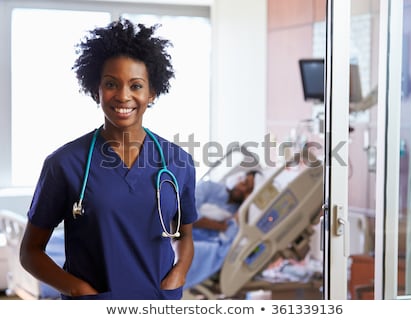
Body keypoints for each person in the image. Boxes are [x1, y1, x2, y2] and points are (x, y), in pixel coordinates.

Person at [19, 18, 198, 300]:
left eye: (136, 85)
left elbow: (185, 236)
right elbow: (30, 251)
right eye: (111, 84)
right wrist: (76, 288)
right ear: (96, 90)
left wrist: (179, 274)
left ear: (152, 93)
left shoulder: (179, 162)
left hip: (158, 302)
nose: (124, 96)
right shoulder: (64, 164)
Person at [184, 170, 258, 289]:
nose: (243, 189)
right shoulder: (208, 187)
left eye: (249, 191)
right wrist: (221, 226)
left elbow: (229, 241)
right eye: (244, 183)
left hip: (204, 245)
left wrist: (244, 206)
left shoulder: (239, 215)